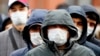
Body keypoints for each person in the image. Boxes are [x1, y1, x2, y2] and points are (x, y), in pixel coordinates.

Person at [25, 10, 95, 56]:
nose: (58, 30)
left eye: (62, 27)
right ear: (45, 31)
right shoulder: (35, 54)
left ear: (70, 31)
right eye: (53, 26)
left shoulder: (85, 53)